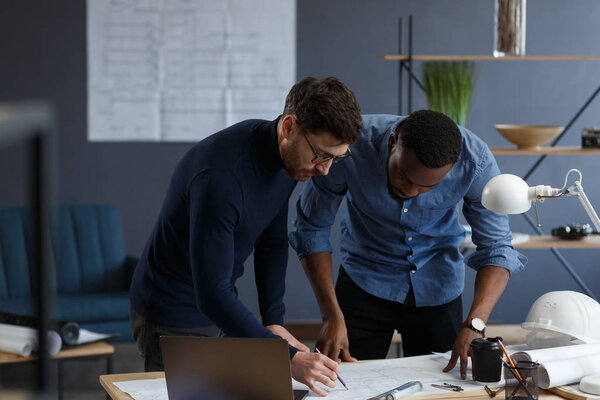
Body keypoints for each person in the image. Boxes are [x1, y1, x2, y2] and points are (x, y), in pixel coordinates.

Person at [129, 76, 363, 395]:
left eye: (336, 158)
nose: (325, 170)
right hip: (172, 310)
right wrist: (287, 356)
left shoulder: (291, 157)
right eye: (322, 155)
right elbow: (211, 294)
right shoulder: (223, 178)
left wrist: (274, 320)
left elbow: (272, 242)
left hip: (218, 299)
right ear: (289, 127)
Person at [289, 110, 527, 380]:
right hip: (363, 282)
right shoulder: (349, 145)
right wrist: (330, 315)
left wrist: (476, 323)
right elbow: (311, 228)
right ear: (393, 142)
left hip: (438, 288)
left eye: (426, 187)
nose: (410, 191)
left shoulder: (475, 161)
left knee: (441, 389)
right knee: (345, 385)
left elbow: (497, 247)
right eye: (404, 175)